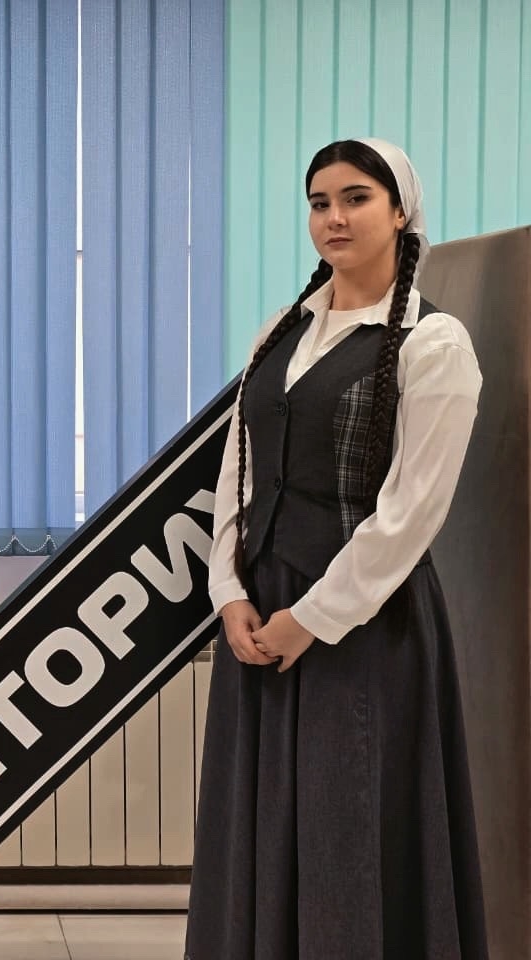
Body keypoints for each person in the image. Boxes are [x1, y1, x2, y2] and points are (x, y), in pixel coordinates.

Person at [184, 140, 489, 959]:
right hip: (260, 614)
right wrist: (229, 594)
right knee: (256, 824)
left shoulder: (435, 344)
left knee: (345, 821)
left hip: (365, 624)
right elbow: (239, 474)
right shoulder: (280, 332)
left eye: (356, 198)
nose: (334, 217)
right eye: (319, 202)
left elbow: (412, 514)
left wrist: (311, 619)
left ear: (400, 211)